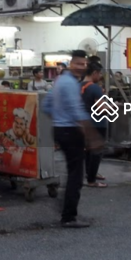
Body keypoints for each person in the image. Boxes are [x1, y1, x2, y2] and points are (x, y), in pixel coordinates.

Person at [41, 50, 103, 228]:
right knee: (76, 174)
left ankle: (66, 207)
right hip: (70, 130)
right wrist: (92, 136)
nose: (81, 67)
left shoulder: (60, 80)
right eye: (78, 64)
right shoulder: (70, 84)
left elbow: (47, 105)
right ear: (71, 64)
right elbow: (77, 111)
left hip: (60, 129)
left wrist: (58, 119)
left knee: (73, 171)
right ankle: (69, 216)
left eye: (84, 64)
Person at [80, 62, 107, 188]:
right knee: (96, 152)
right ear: (94, 73)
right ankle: (91, 180)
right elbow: (101, 108)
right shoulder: (95, 88)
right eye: (100, 73)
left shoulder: (78, 85)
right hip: (97, 124)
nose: (100, 76)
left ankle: (90, 174)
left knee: (87, 151)